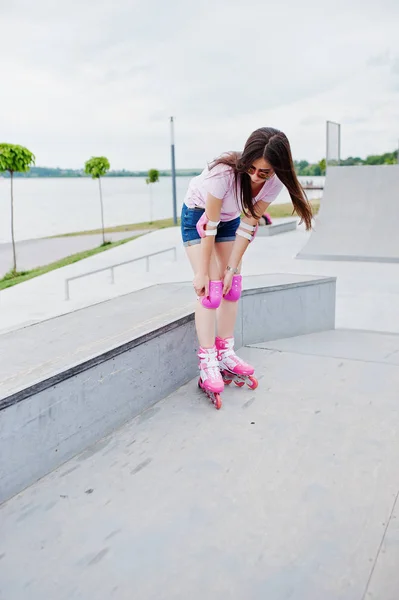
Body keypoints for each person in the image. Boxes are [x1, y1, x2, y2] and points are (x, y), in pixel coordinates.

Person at [180, 126, 313, 404]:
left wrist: (231, 269)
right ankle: (207, 362)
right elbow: (209, 227)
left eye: (263, 172)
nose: (255, 177)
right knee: (211, 289)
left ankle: (225, 351)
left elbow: (249, 224)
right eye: (251, 169)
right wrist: (204, 273)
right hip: (198, 217)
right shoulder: (223, 174)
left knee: (232, 286)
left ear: (277, 169)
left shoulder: (274, 183)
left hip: (229, 221)